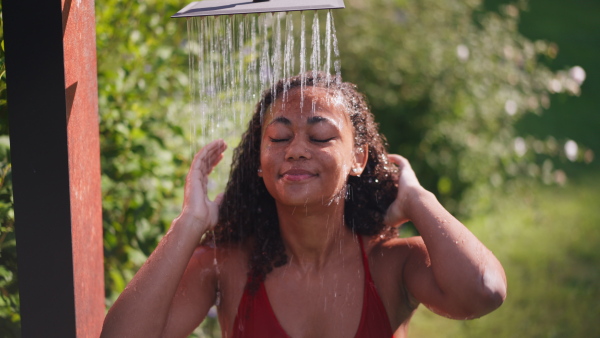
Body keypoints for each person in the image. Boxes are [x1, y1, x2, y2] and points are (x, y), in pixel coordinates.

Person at [101, 73, 507, 338]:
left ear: (358, 159)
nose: (295, 150)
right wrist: (190, 223)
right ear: (259, 163)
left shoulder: (390, 263)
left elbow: (484, 292)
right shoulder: (226, 266)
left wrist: (418, 199)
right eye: (278, 138)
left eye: (319, 137)